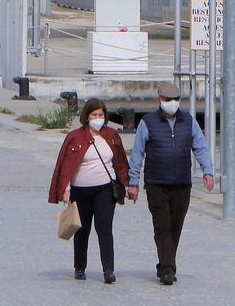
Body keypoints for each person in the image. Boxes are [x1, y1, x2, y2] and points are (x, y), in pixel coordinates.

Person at [127, 82, 215, 286]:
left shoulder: (188, 121)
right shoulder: (147, 122)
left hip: (182, 183)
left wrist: (208, 171)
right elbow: (137, 153)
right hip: (156, 182)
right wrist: (133, 182)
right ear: (159, 100)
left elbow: (200, 147)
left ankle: (165, 263)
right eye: (167, 100)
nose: (172, 103)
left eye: (176, 100)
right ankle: (168, 269)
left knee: (175, 226)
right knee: (162, 226)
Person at [47, 98, 130, 284]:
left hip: (105, 190)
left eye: (101, 115)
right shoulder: (75, 137)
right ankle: (79, 267)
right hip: (80, 191)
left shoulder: (112, 136)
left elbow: (121, 163)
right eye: (94, 115)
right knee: (81, 230)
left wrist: (128, 185)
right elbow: (66, 165)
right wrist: (65, 189)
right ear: (87, 117)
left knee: (104, 229)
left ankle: (108, 269)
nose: (98, 118)